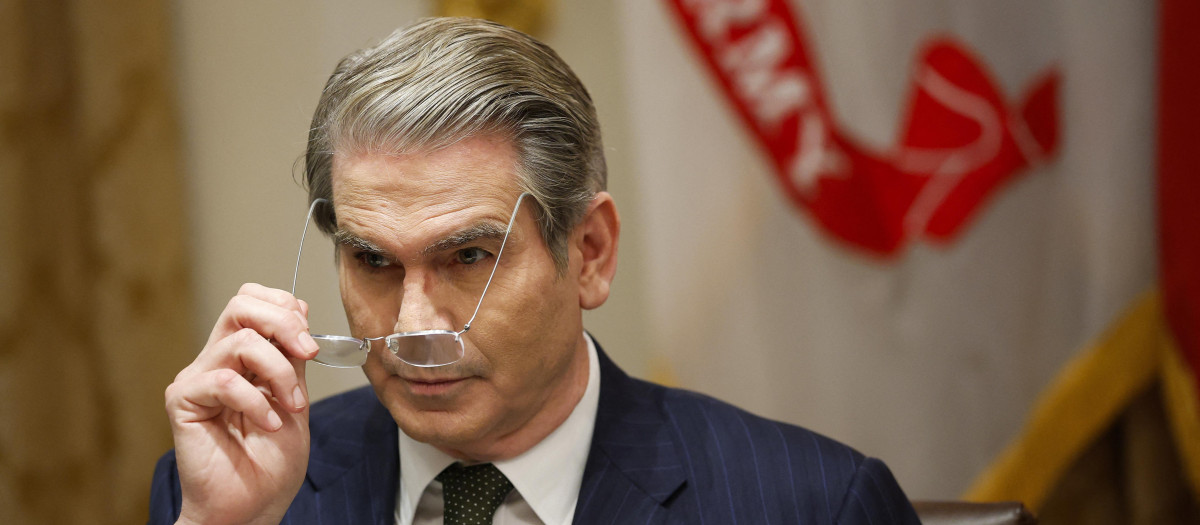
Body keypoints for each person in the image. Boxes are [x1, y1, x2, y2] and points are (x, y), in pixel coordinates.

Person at [149, 17, 920, 525]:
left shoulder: (811, 505)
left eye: (468, 257)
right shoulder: (236, 489)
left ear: (588, 252)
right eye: (374, 261)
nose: (414, 324)